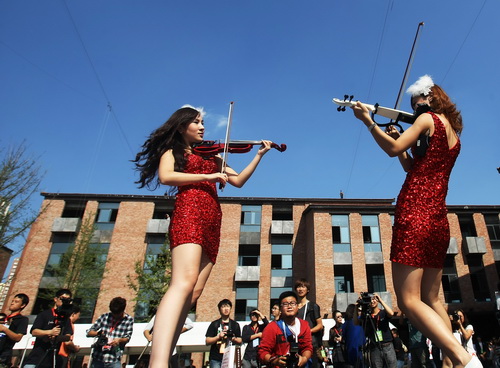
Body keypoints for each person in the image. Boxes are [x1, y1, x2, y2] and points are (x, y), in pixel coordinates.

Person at [351, 75, 480, 368]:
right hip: (437, 218)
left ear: (430, 97)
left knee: (408, 301)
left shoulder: (426, 121)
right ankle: (450, 363)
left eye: (416, 101)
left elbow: (392, 150)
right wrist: (400, 138)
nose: (414, 108)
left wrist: (368, 121)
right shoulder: (454, 136)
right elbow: (409, 163)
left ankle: (463, 359)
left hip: (415, 212)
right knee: (433, 299)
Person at [133, 104, 274, 368]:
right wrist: (209, 174)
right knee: (182, 282)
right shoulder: (173, 151)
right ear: (181, 125)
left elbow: (239, 180)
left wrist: (259, 155)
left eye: (203, 123)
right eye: (197, 122)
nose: (202, 127)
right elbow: (166, 176)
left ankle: (167, 354)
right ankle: (158, 362)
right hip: (190, 211)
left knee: (194, 293)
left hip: (212, 219)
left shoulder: (212, 155)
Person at [258, 291, 313, 368]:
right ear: (280, 308)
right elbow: (263, 351)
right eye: (285, 304)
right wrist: (274, 361)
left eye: (292, 303)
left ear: (297, 306)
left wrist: (304, 358)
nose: (289, 306)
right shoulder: (272, 327)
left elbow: (307, 347)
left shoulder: (304, 325)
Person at [23, 289, 74, 368]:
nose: (64, 302)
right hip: (36, 358)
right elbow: (34, 331)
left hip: (52, 360)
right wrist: (49, 332)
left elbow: (68, 336)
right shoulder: (44, 314)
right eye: (62, 299)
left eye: (68, 300)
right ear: (55, 299)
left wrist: (57, 338)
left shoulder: (66, 318)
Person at [87, 297, 134, 368]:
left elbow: (127, 338)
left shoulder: (129, 320)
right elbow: (89, 332)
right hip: (99, 358)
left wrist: (119, 340)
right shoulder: (104, 317)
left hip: (114, 359)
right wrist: (98, 334)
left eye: (117, 314)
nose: (114, 315)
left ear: (122, 310)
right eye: (113, 313)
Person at [357, 293, 397, 368]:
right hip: (375, 347)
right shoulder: (367, 316)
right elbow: (356, 322)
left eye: (374, 299)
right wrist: (357, 307)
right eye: (370, 300)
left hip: (387, 345)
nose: (372, 301)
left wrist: (381, 300)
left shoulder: (383, 313)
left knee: (392, 366)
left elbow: (391, 313)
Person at [295, 279, 324, 368]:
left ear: (308, 290)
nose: (300, 289)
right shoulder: (294, 307)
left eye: (303, 287)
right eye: (298, 287)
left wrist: (308, 331)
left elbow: (320, 325)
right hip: (297, 344)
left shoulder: (313, 306)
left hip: (311, 343)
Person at [205, 299, 242, 368]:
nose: (226, 309)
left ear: (231, 309)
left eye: (228, 306)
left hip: (230, 356)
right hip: (216, 357)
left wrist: (232, 338)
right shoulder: (214, 324)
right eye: (223, 307)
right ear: (219, 309)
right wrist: (218, 337)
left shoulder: (235, 325)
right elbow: (207, 341)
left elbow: (240, 340)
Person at [0, 293, 29, 368]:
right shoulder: (5, 318)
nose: (12, 303)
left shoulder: (22, 320)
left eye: (16, 302)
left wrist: (4, 329)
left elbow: (18, 337)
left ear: (22, 305)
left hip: (3, 355)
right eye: (12, 301)